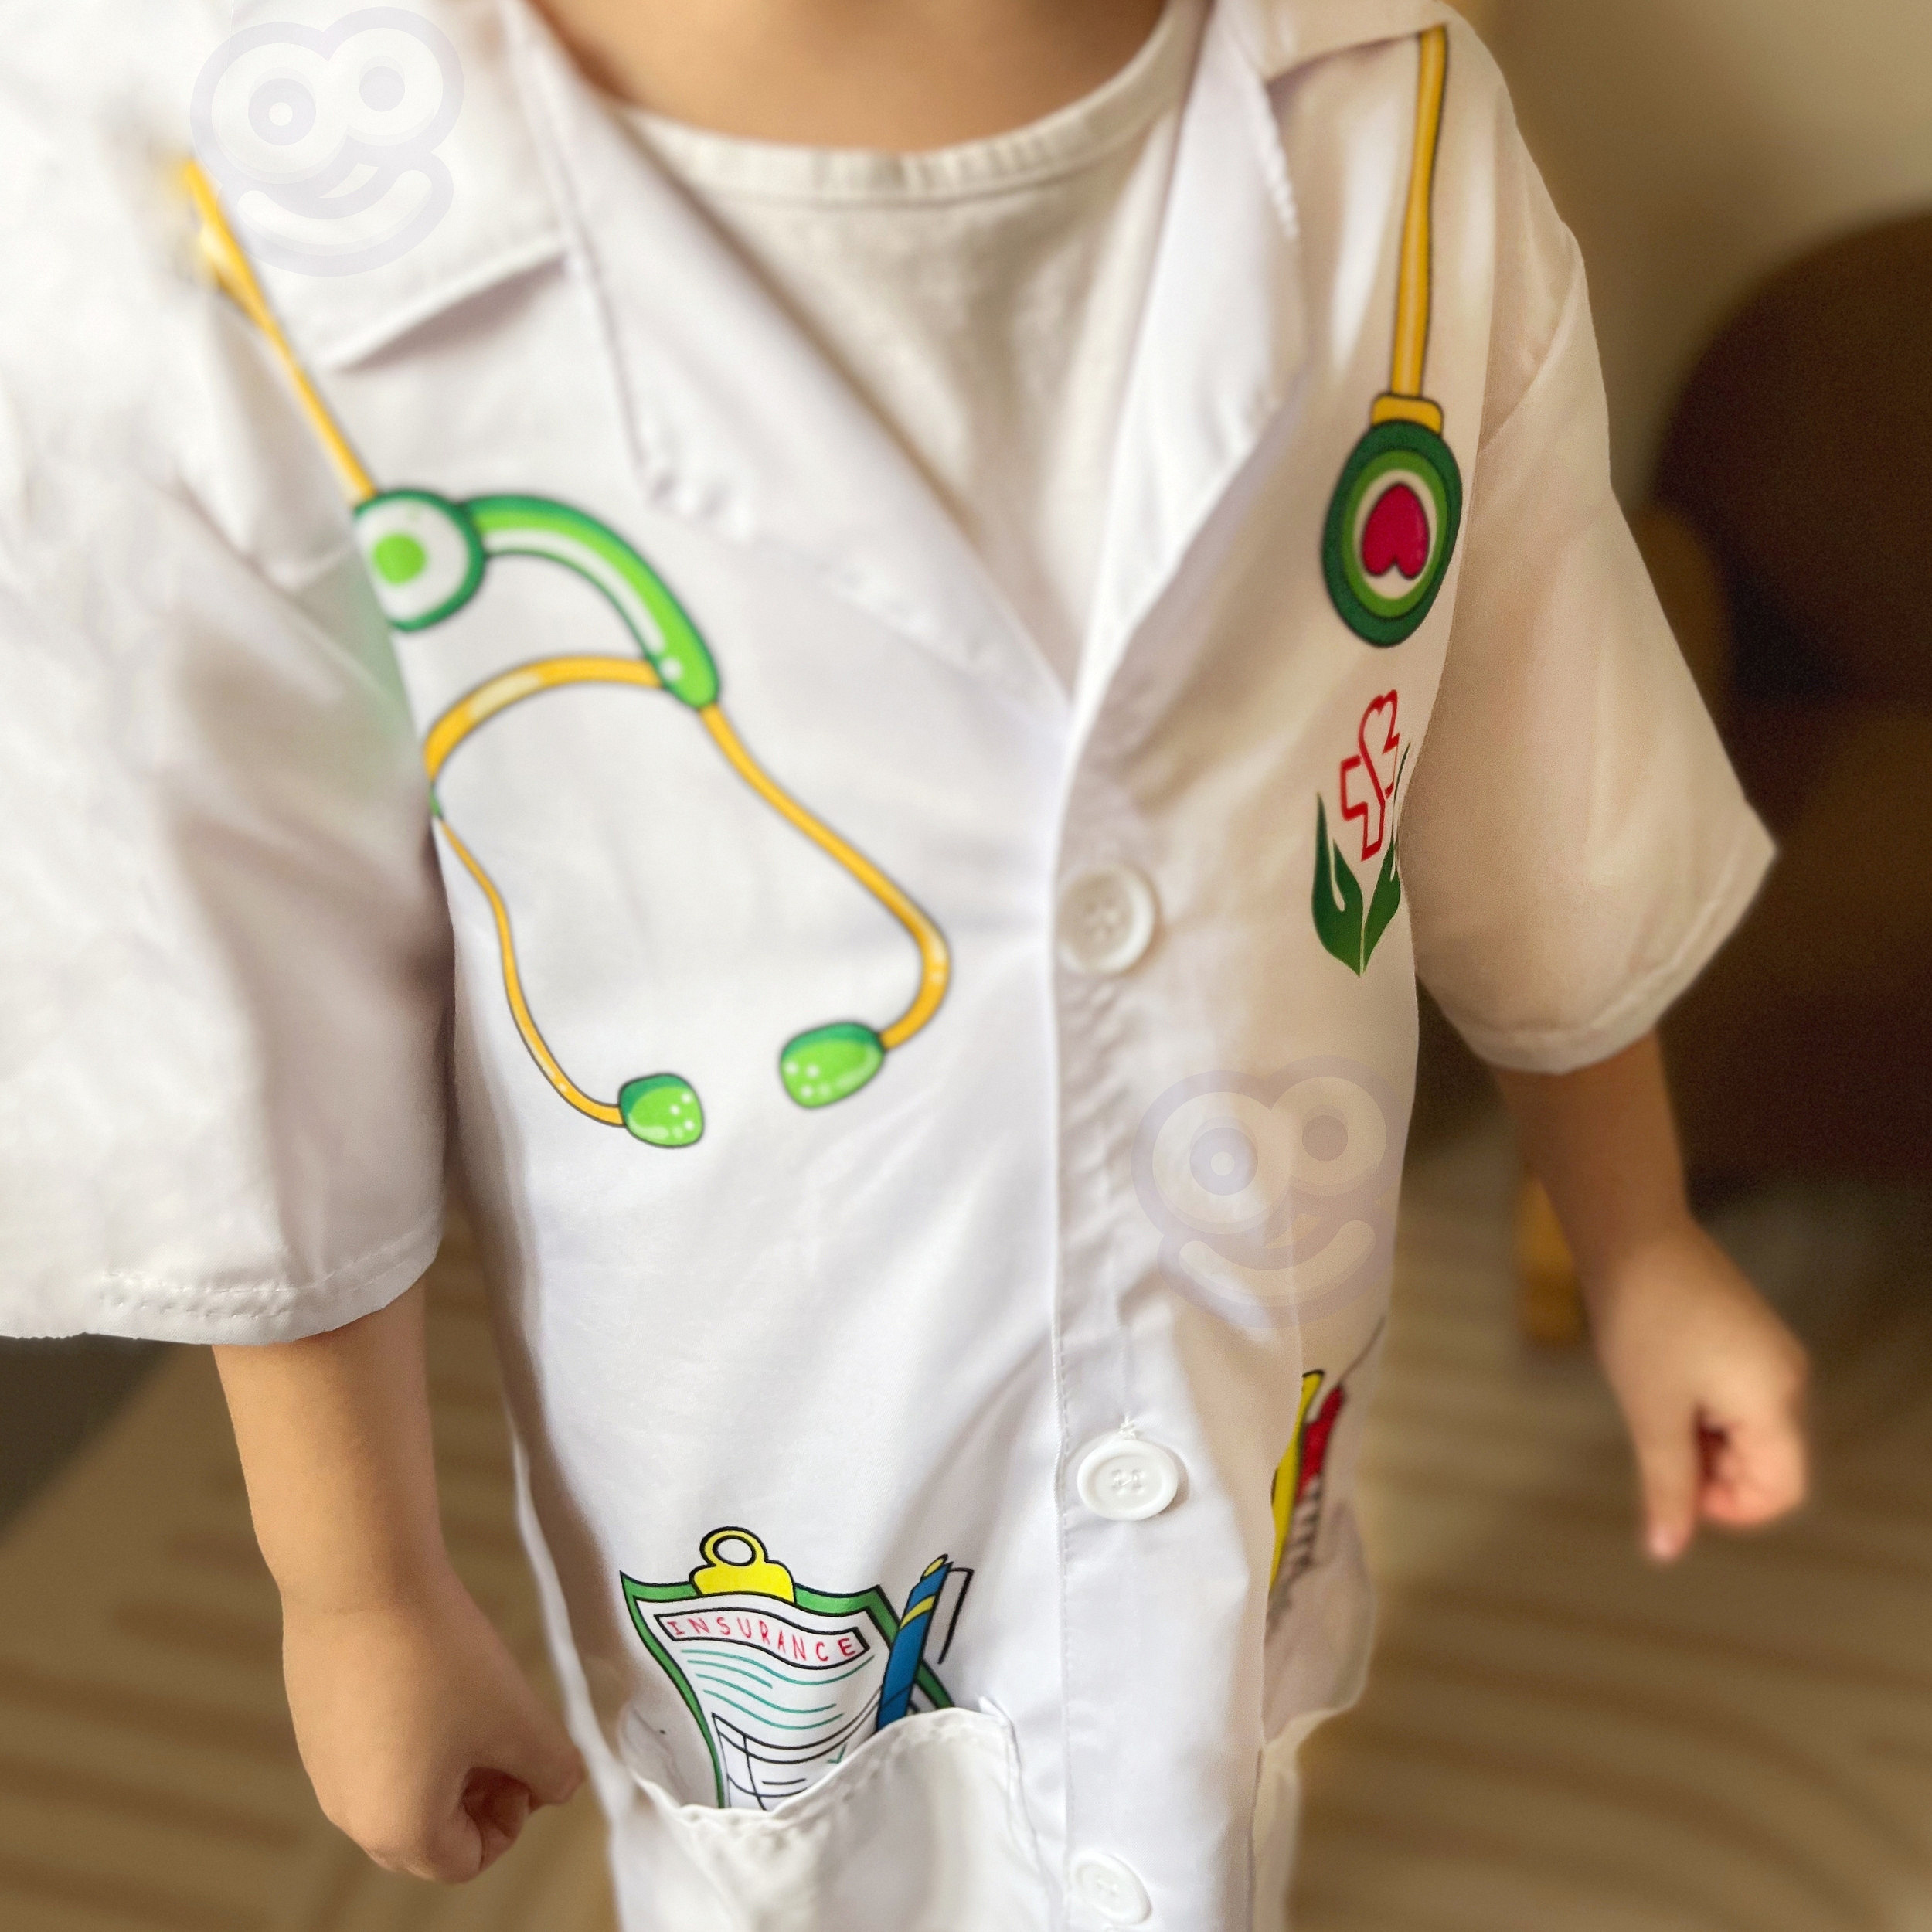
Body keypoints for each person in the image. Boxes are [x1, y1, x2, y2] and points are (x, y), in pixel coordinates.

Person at [0, 0, 1808, 1925]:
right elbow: (237, 954)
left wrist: (1635, 1237)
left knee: (1194, 1780)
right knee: (795, 1869)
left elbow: (1523, 731)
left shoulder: (1396, 110)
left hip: (1246, 1356)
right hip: (750, 1470)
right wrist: (352, 1578)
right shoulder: (221, 191)